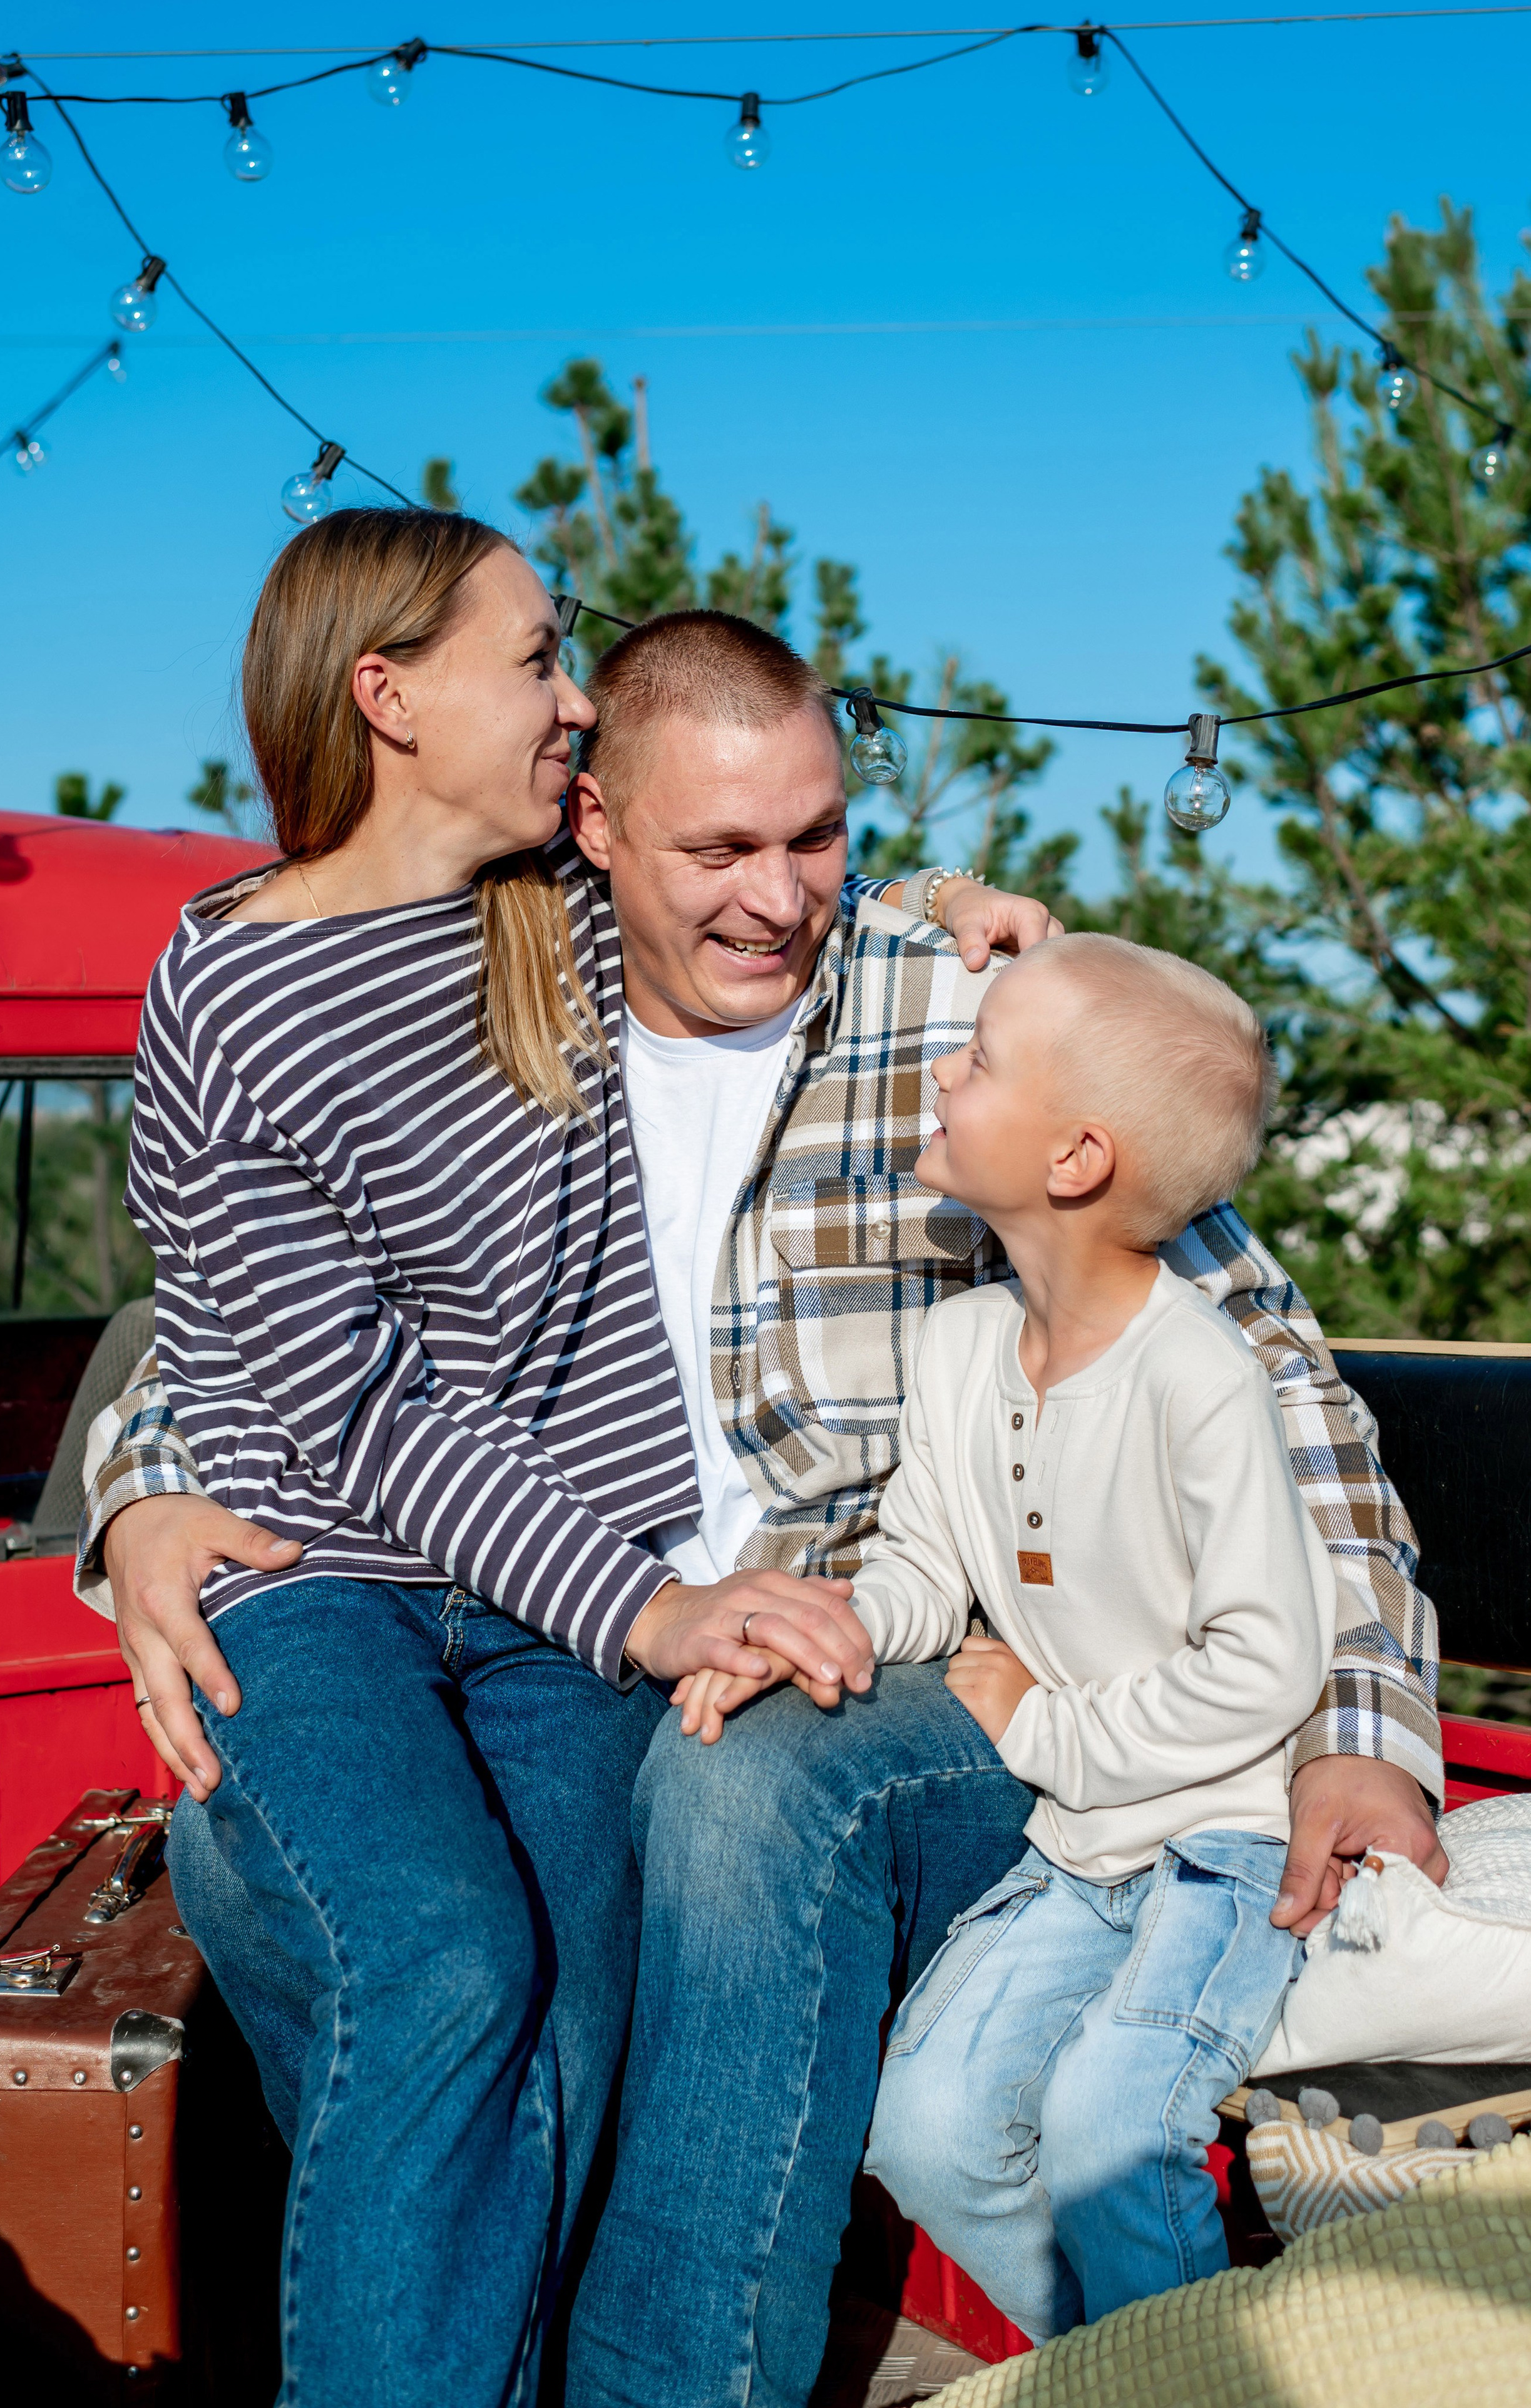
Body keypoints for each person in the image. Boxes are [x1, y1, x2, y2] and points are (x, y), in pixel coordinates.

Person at [85, 608, 1446, 2408]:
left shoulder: (967, 1023)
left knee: (741, 1784)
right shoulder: (490, 988)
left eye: (817, 837)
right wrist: (141, 1491)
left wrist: (1370, 1727)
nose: (780, 898)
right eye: (719, 848)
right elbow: (263, 1296)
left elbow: (1277, 1377)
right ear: (596, 826)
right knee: (295, 1870)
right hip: (553, 1626)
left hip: (908, 1665)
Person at [111, 517, 885, 2408]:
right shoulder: (229, 988)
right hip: (323, 1586)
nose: (576, 700)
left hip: (548, 1614)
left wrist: (959, 902)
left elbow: (761, 879)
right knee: (446, 1966)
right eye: (539, 659)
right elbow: (338, 1401)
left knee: (574, 2024)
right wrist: (652, 1604)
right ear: (389, 695)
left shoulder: (555, 924)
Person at [847, 935, 1337, 2339]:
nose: (944, 1067)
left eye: (981, 1056)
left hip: (1218, 1843)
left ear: (1073, 1158)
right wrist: (839, 1623)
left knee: (1107, 2128)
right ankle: (1123, 2364)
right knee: (925, 2130)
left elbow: (1263, 1662)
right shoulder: (960, 1350)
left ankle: (1188, 2372)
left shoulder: (1196, 1373)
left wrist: (1036, 1725)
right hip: (1077, 1845)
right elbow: (924, 1565)